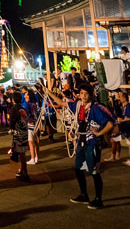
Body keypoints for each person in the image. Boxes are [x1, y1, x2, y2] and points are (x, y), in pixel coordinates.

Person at [44, 81, 114, 210]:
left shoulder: (96, 108)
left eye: (86, 94)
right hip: (81, 142)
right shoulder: (78, 106)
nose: (83, 96)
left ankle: (98, 199)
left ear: (91, 95)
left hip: (92, 142)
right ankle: (84, 194)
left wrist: (99, 134)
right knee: (78, 169)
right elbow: (62, 103)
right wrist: (49, 93)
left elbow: (110, 123)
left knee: (94, 171)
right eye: (81, 93)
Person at [9, 92, 30, 182]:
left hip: (18, 134)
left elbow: (12, 122)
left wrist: (12, 129)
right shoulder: (22, 108)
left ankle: (25, 173)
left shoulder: (14, 109)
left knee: (21, 155)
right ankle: (22, 170)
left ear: (13, 99)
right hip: (24, 132)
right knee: (22, 153)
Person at [23, 90, 40, 165]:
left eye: (26, 94)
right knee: (35, 142)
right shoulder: (34, 104)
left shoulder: (28, 104)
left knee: (30, 142)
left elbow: (28, 115)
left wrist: (27, 120)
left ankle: (32, 158)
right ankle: (36, 157)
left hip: (31, 124)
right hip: (36, 124)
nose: (24, 96)